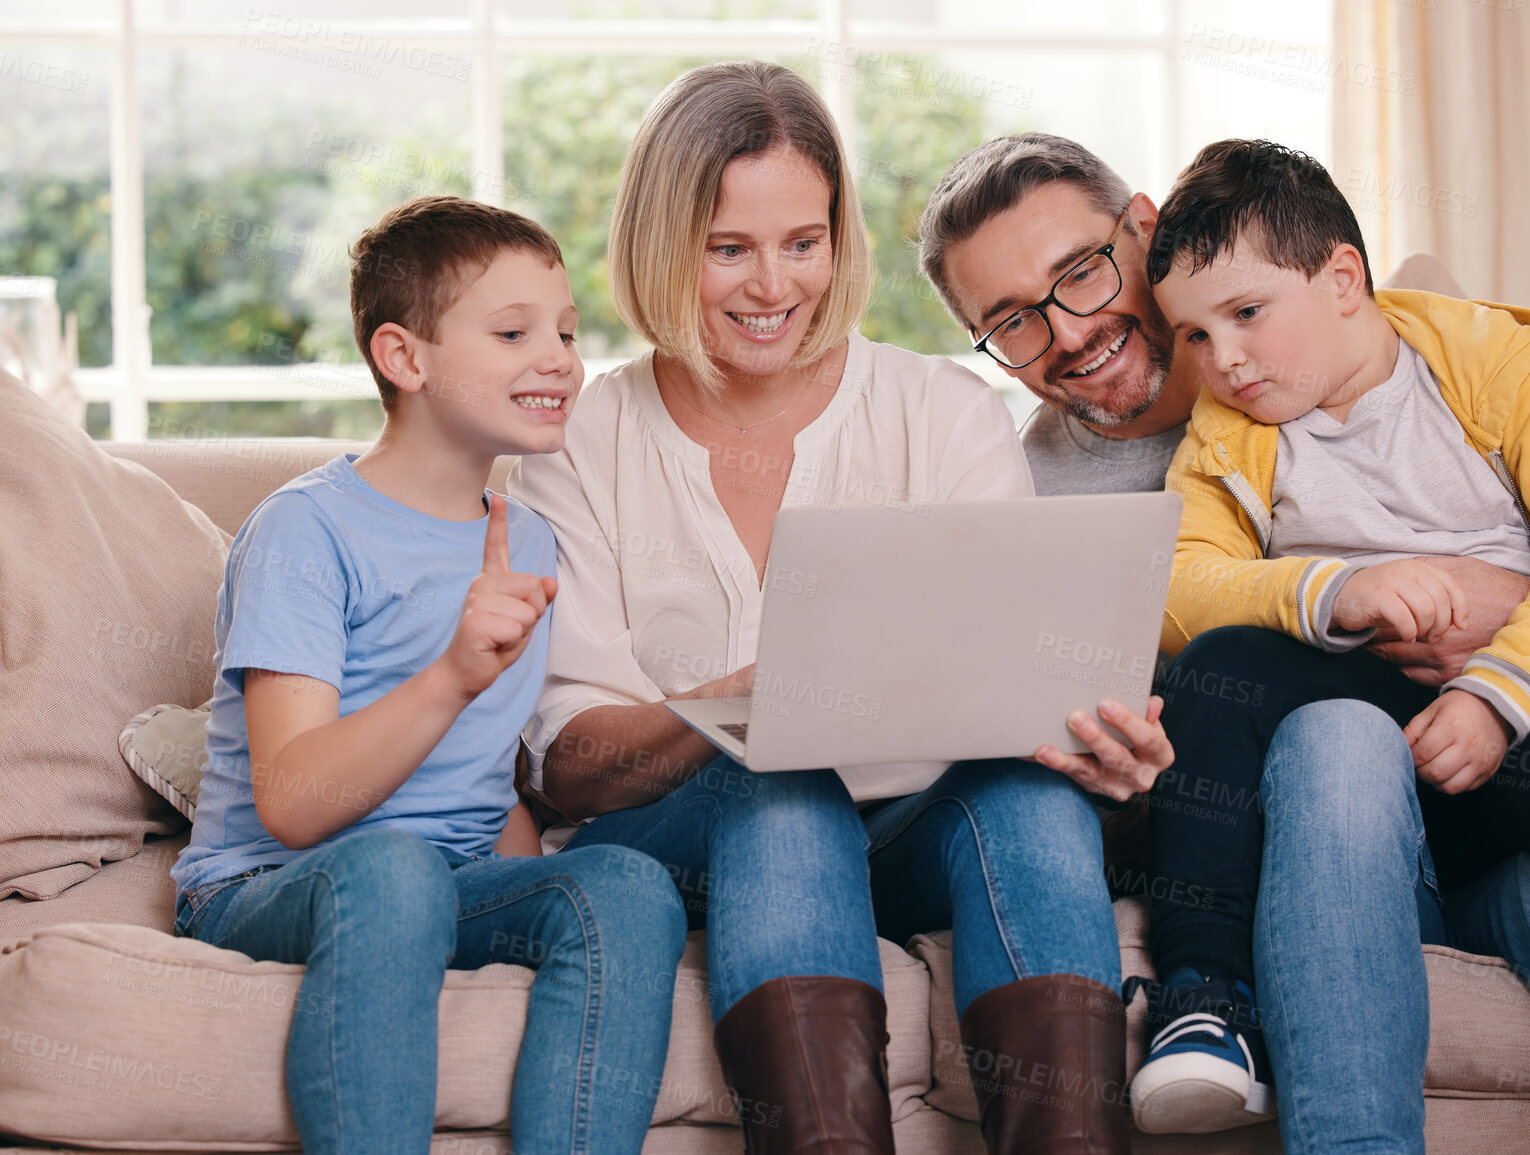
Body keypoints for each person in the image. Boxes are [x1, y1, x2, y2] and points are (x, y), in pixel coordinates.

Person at [510, 64, 1173, 1155]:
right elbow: (567, 766)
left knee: (1031, 802)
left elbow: (1020, 698)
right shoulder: (583, 441)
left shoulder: (941, 414)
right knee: (783, 785)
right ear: (663, 245)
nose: (773, 286)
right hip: (684, 836)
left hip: (911, 828)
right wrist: (736, 705)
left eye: (802, 242)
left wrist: (1096, 750)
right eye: (729, 248)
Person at [914, 133, 1530, 1152]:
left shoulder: (1386, 344)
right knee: (1325, 732)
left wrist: (1500, 611)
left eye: (1080, 273)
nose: (1068, 332)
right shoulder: (1024, 504)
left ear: (1148, 231)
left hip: (1505, 776)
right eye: (1014, 323)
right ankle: (1215, 1008)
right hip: (1313, 821)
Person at [169, 196, 686, 1155]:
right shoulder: (304, 530)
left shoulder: (524, 538)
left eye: (567, 332)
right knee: (395, 867)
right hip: (270, 882)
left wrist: (542, 889)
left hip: (450, 879)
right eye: (513, 331)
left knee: (622, 881)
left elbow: (484, 785)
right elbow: (290, 801)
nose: (561, 358)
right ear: (404, 359)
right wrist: (453, 671)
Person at [1124, 138, 1530, 1140]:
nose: (1222, 359)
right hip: (1353, 714)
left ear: (1341, 280)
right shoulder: (1229, 437)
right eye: (1193, 335)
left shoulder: (1495, 368)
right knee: (1221, 667)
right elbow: (1178, 583)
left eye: (1245, 315)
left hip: (1510, 728)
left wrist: (1496, 694)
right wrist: (1340, 589)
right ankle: (1204, 993)